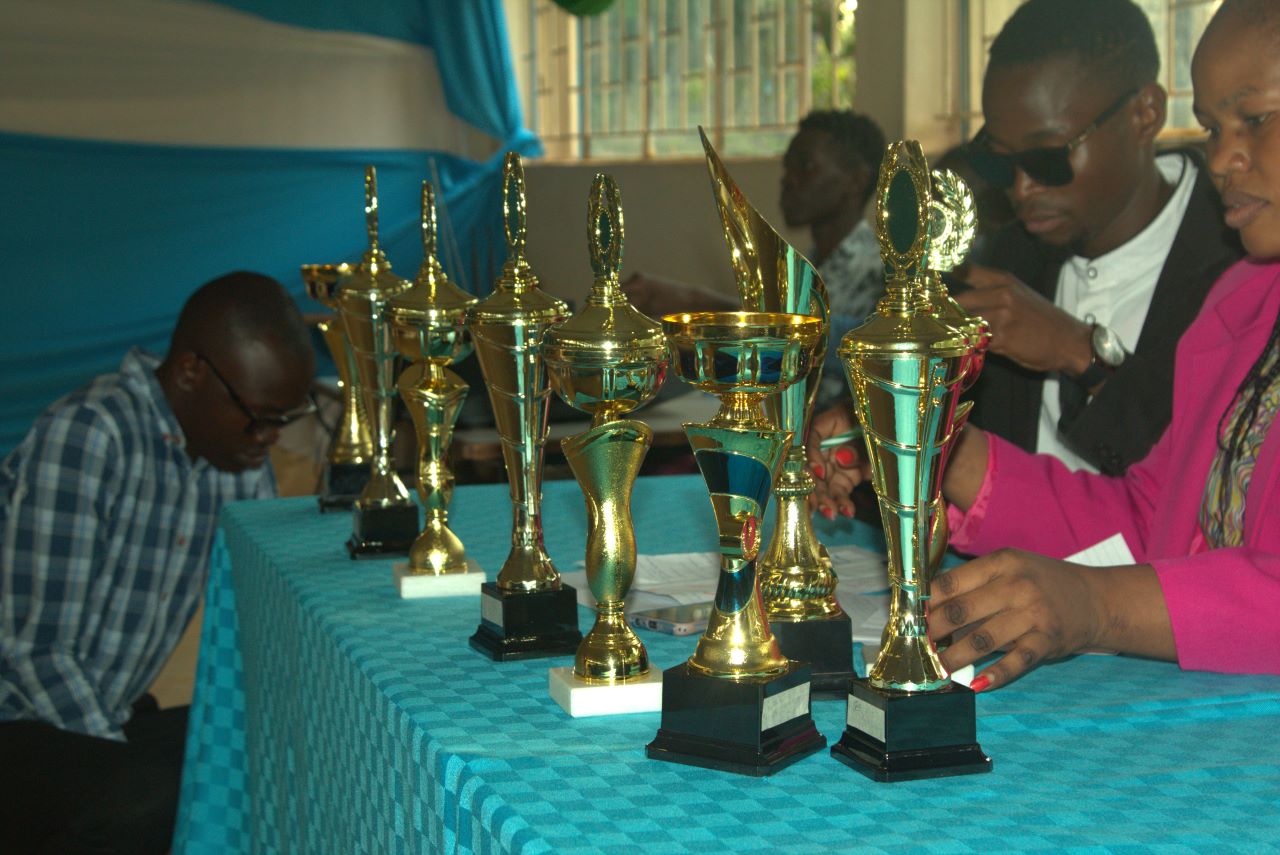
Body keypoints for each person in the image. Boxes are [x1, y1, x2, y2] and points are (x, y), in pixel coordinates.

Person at [830, 0, 1280, 692]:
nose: (1222, 156)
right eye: (1216, 126)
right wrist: (942, 447)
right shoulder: (1244, 300)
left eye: (1255, 119)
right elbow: (1148, 518)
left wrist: (1097, 606)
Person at [808, 0, 1244, 517]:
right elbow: (973, 468)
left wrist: (1082, 354)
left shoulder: (1238, 258)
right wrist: (867, 443)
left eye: (1046, 157)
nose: (1021, 187)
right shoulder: (1011, 258)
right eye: (998, 160)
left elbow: (1213, 489)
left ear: (1145, 113)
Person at [0, 271, 316, 853]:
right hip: (20, 720)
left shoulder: (237, 459)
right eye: (258, 415)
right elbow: (32, 653)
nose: (269, 438)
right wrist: (116, 751)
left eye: (283, 420)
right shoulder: (90, 435)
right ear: (192, 371)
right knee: (154, 798)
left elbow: (267, 603)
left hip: (103, 714)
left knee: (269, 756)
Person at [623, 109, 887, 405]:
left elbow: (831, 342)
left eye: (807, 167)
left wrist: (695, 302)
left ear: (856, 181)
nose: (789, 180)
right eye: (787, 168)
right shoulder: (808, 266)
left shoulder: (881, 271)